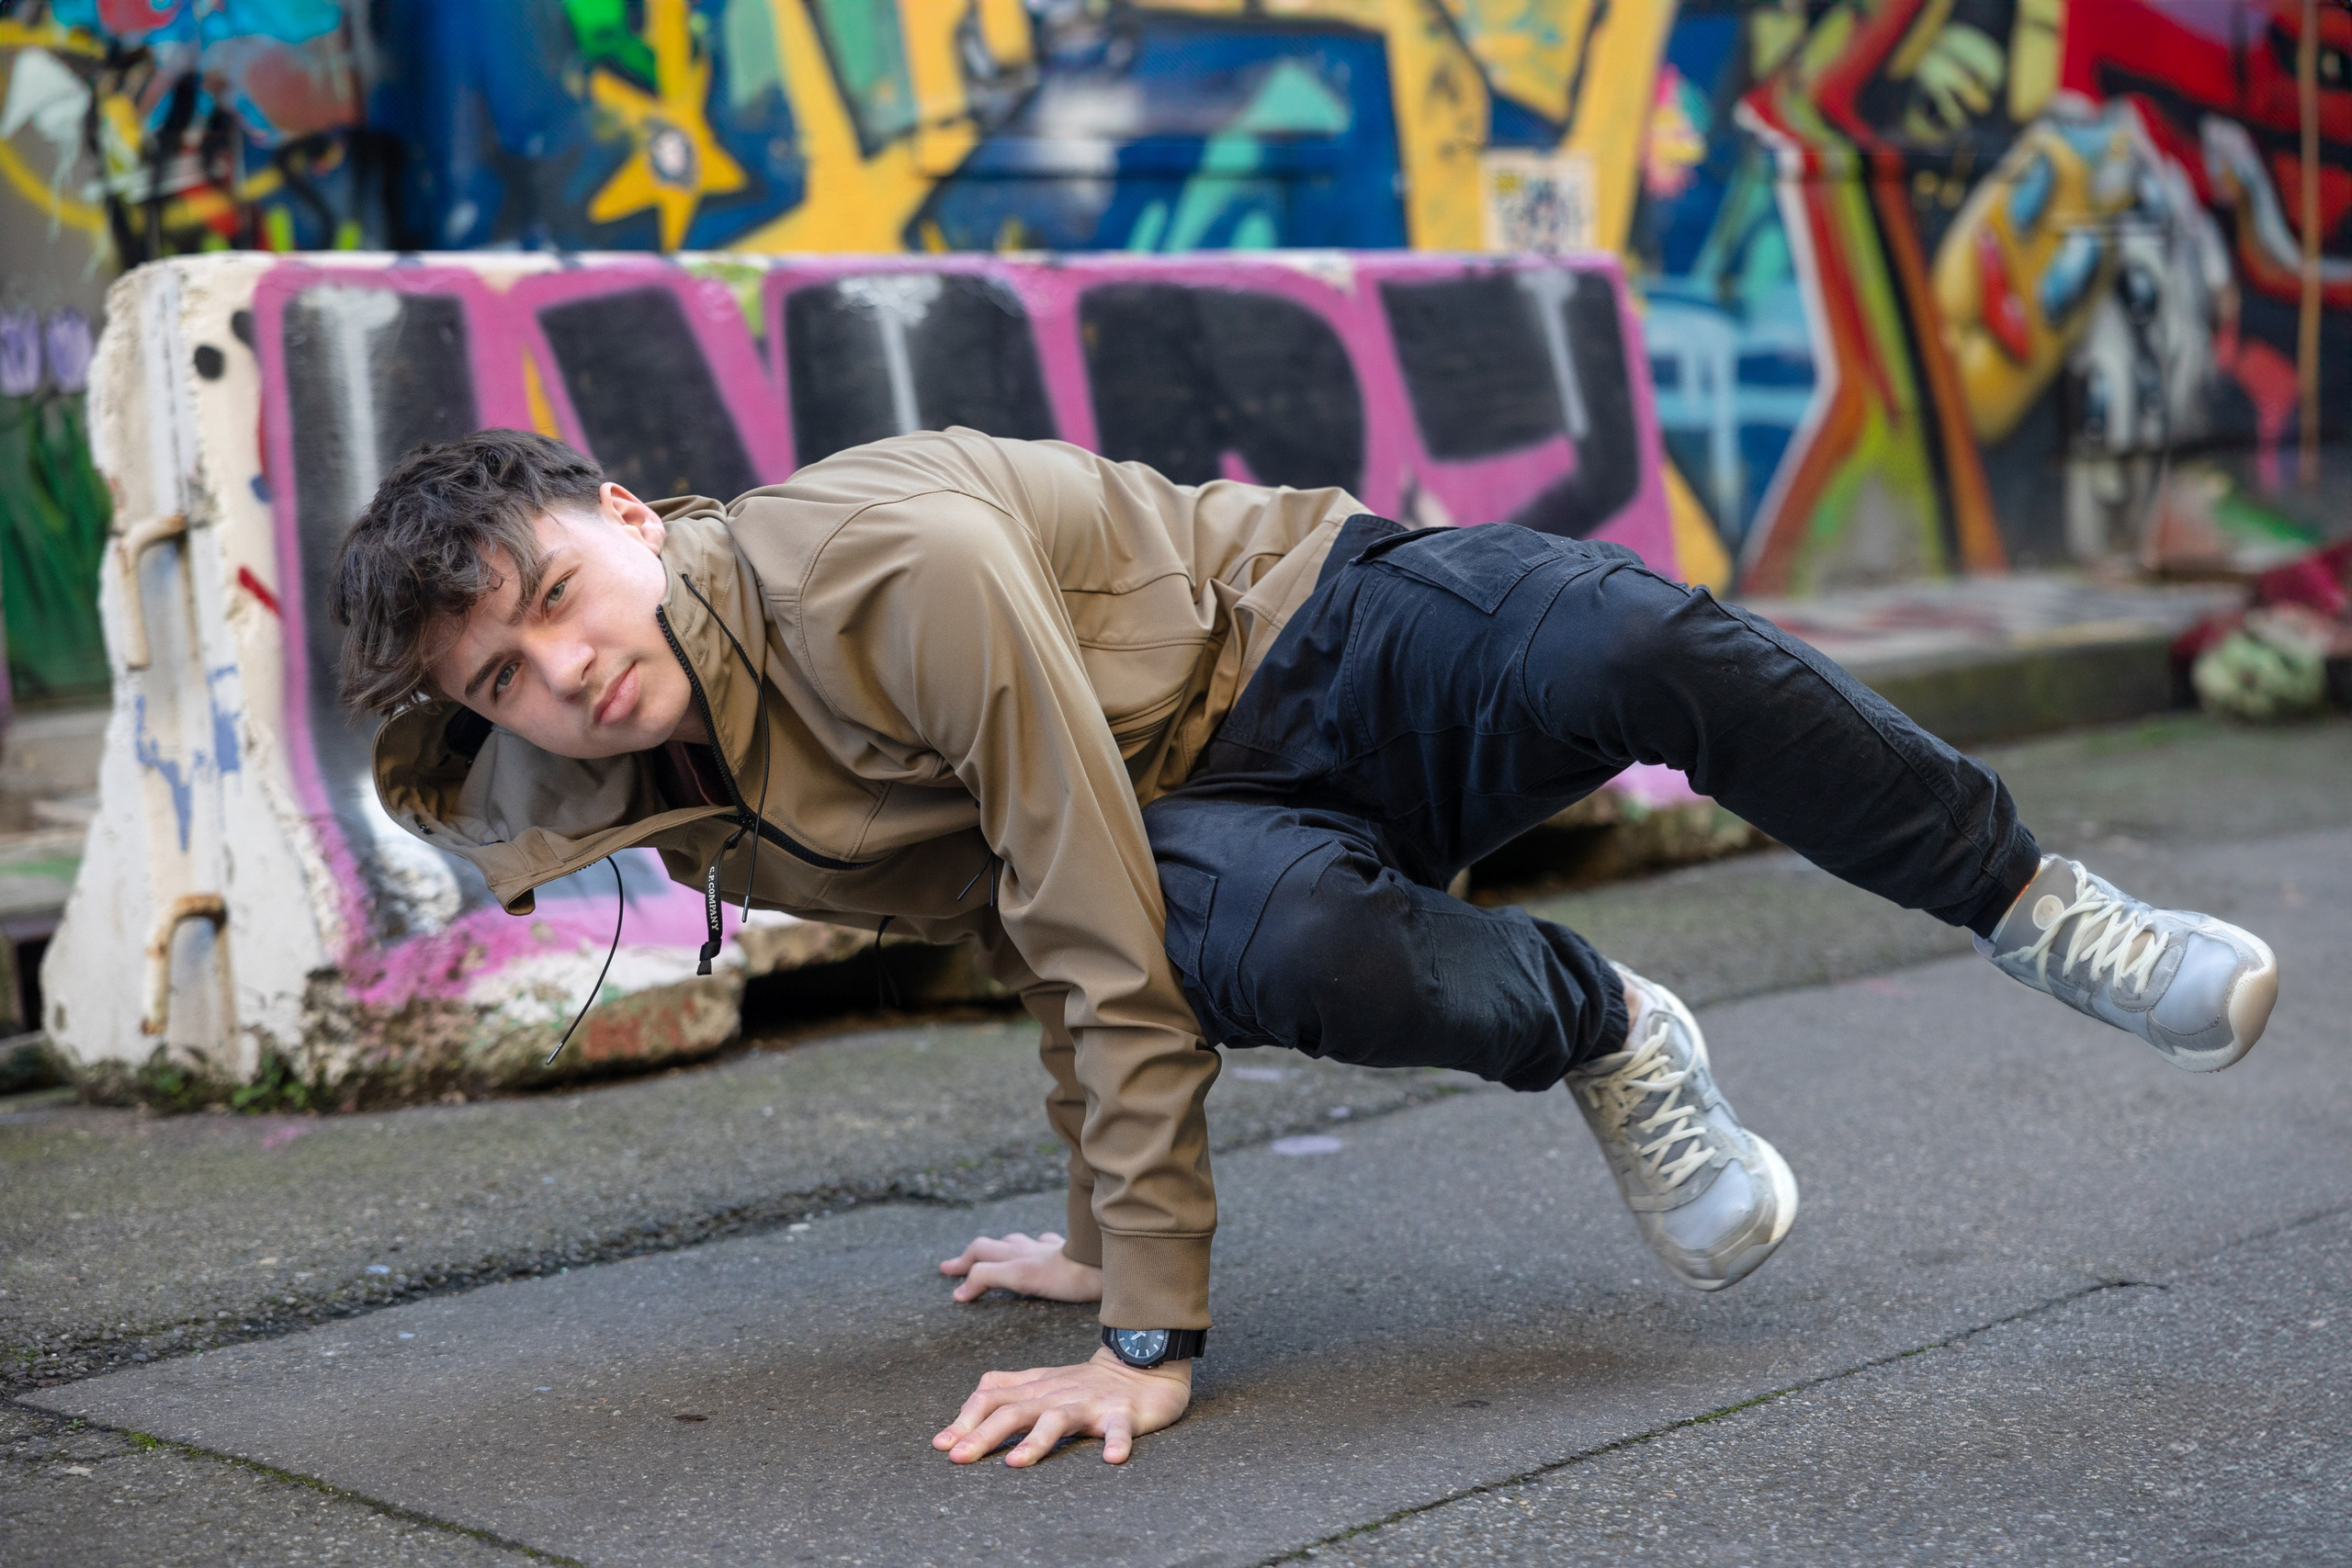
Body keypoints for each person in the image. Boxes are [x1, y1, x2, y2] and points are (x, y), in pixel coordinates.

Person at [338, 426, 2278, 1469]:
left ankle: (2036, 907)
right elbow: (1034, 909)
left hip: (1329, 632)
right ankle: (1605, 1026)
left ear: (621, 515)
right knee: (1276, 938)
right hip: (1207, 832)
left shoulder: (870, 569)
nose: (566, 674)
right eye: (501, 675)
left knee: (1629, 643)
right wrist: (1101, 1241)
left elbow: (1072, 895)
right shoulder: (675, 790)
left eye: (559, 602)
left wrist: (1143, 1333)